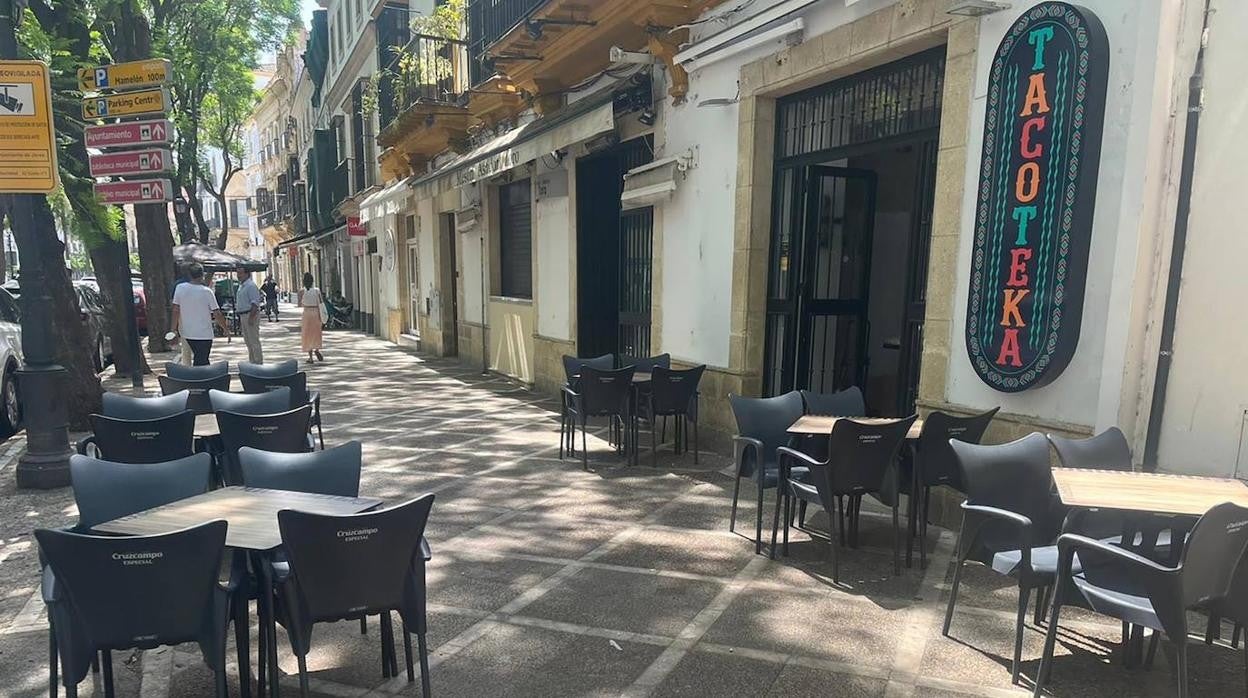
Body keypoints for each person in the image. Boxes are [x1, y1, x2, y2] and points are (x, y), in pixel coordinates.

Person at [170, 263, 229, 366]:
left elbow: (175, 310)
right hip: (204, 333)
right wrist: (225, 328)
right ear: (202, 275)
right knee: (202, 360)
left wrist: (173, 329)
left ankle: (196, 378)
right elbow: (217, 313)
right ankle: (201, 379)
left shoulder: (180, 288)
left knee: (194, 359)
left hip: (187, 332)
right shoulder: (207, 292)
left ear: (189, 275)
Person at [235, 266, 264, 363]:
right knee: (248, 342)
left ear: (247, 274)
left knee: (254, 341)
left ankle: (258, 363)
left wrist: (251, 317)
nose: (238, 276)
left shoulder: (251, 286)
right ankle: (252, 362)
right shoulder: (241, 286)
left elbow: (255, 303)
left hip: (250, 315)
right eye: (237, 273)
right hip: (243, 315)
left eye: (240, 273)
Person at [298, 272, 324, 364]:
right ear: (312, 281)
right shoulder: (317, 290)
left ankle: (310, 357)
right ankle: (317, 348)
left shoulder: (302, 291)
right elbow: (321, 302)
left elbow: (299, 303)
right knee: (316, 333)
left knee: (307, 334)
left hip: (307, 313)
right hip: (316, 313)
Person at [172, 266, 193, 364]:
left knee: (186, 346)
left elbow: (175, 306)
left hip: (183, 318)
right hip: (199, 319)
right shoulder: (199, 284)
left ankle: (187, 367)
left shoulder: (177, 285)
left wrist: (173, 328)